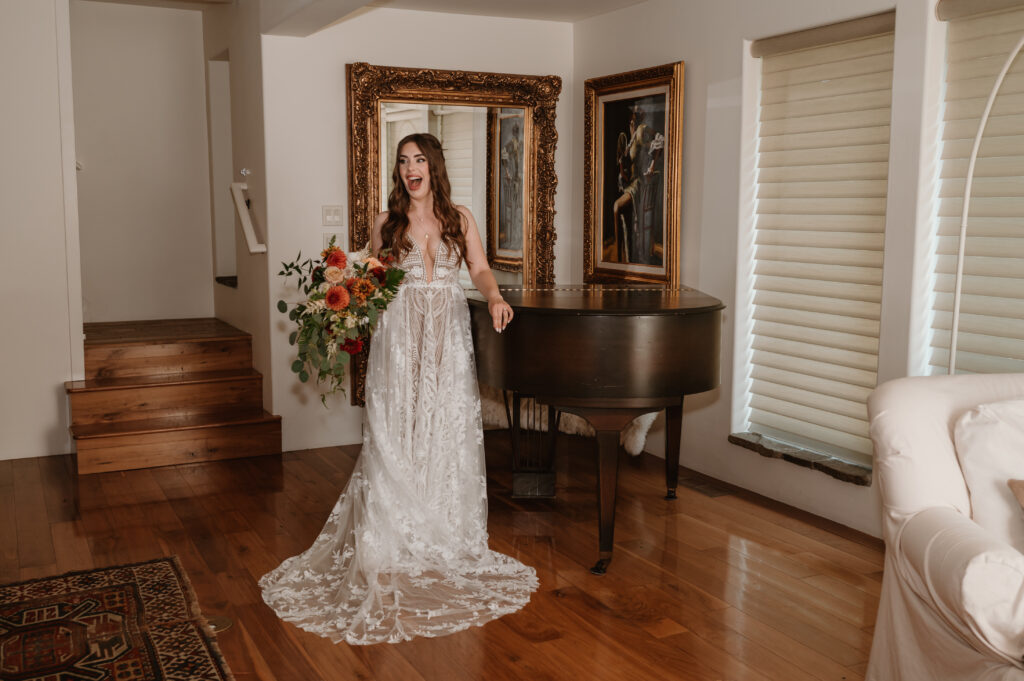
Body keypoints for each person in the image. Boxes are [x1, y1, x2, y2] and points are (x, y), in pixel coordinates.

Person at [259, 133, 537, 645]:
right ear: (399, 172)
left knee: (444, 420)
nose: (412, 169)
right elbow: (369, 273)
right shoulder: (388, 223)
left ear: (434, 167)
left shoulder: (462, 218)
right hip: (401, 338)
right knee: (399, 422)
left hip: (447, 336)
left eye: (420, 160)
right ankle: (394, 531)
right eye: (404, 161)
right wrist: (340, 296)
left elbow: (477, 267)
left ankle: (445, 529)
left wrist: (495, 297)